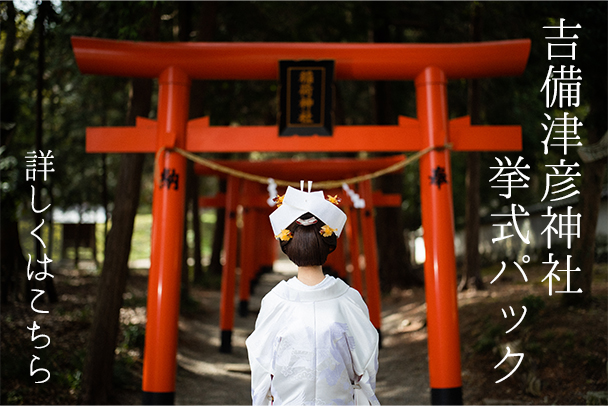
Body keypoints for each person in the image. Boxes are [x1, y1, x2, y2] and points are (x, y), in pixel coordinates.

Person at [246, 183, 380, 406]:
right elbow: (366, 363)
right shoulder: (348, 299)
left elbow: (261, 366)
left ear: (287, 245)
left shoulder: (276, 301)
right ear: (329, 243)